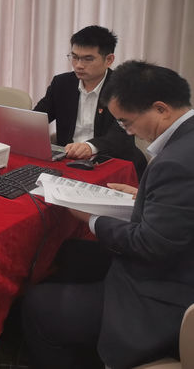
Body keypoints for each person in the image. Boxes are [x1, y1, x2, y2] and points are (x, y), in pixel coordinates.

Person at [22, 61, 194, 369]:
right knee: (69, 252)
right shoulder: (185, 142)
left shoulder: (177, 162)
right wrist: (143, 197)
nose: (129, 132)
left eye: (127, 122)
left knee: (37, 304)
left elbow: (149, 244)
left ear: (161, 109)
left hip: (165, 291)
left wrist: (91, 218)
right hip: (175, 260)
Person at [34, 25, 147, 176]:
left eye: (88, 59)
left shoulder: (123, 88)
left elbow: (122, 134)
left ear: (109, 60)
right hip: (69, 161)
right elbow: (38, 117)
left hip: (112, 162)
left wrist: (90, 147)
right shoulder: (62, 83)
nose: (79, 65)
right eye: (74, 57)